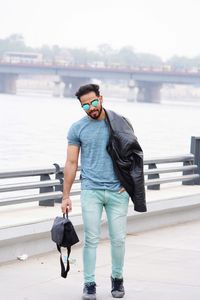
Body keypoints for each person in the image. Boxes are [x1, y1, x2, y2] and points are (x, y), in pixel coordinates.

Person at [61, 83, 146, 300]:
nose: (91, 107)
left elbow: (133, 155)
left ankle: (117, 279)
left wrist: (127, 183)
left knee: (118, 239)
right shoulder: (77, 128)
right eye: (86, 105)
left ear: (101, 98)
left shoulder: (120, 123)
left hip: (118, 192)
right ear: (81, 106)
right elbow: (71, 163)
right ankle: (89, 283)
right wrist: (66, 196)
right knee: (91, 239)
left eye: (94, 102)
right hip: (91, 190)